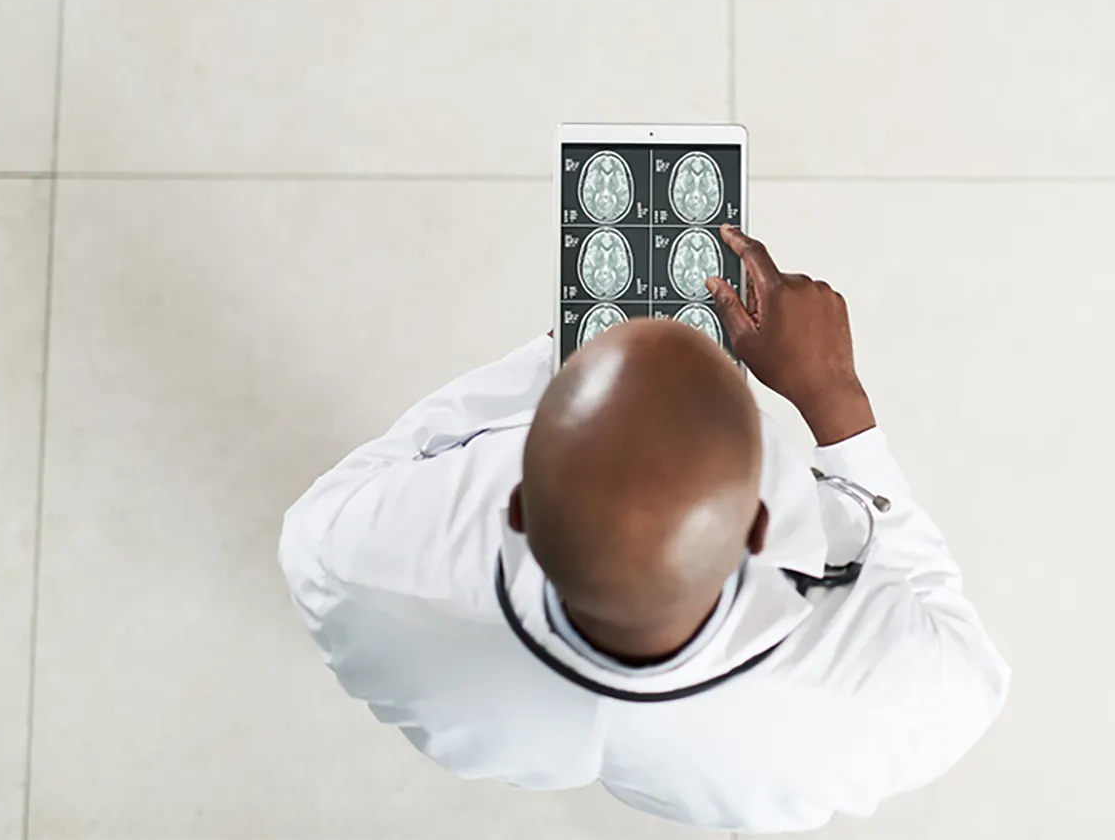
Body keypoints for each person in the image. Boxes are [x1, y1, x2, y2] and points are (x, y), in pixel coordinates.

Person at [279, 225, 1009, 833]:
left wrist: (565, 358)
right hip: (708, 781)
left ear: (519, 509)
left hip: (500, 719)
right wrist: (835, 400)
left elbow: (375, 476)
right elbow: (955, 637)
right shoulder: (896, 699)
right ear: (756, 528)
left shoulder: (358, 563)